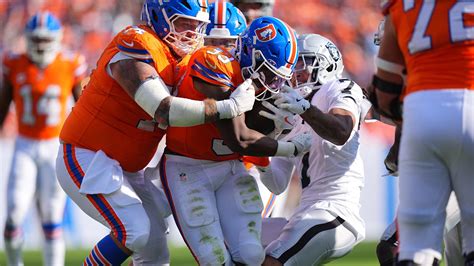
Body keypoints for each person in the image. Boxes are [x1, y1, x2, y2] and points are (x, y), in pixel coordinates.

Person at [54, 0, 257, 265]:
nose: (193, 33)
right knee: (133, 230)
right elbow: (163, 110)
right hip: (86, 153)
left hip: (126, 166)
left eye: (198, 26)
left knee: (154, 247)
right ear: (160, 18)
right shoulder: (136, 43)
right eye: (185, 23)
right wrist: (227, 107)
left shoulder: (184, 58)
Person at [160, 16, 309, 265]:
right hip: (188, 168)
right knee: (214, 258)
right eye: (268, 73)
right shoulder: (214, 62)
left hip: (230, 167)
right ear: (252, 55)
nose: (272, 84)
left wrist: (278, 129)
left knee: (251, 254)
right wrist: (290, 147)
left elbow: (250, 132)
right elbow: (238, 138)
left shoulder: (254, 81)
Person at [373, 1, 474, 265]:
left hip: (424, 116)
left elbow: (385, 91)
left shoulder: (402, 7)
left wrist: (402, 117)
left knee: (413, 247)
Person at [258, 33, 369, 266]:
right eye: (292, 65)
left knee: (275, 261)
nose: (295, 72)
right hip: (304, 211)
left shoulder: (338, 88)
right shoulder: (291, 109)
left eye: (303, 62)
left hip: (336, 211)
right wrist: (263, 144)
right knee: (236, 240)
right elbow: (277, 184)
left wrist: (305, 109)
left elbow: (341, 132)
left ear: (326, 65)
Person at [0, 11, 86, 266]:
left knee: (52, 214)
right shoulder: (14, 62)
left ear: (57, 40)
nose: (40, 45)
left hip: (54, 146)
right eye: (35, 40)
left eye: (45, 40)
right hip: (24, 144)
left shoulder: (70, 62)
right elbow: (3, 104)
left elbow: (83, 106)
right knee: (14, 212)